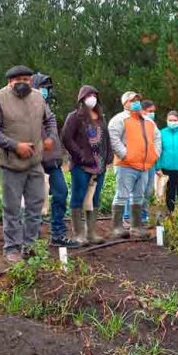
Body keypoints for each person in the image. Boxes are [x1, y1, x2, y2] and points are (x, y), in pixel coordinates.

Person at [0, 65, 57, 263]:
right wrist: (15, 146)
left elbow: (50, 119)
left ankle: (30, 245)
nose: (23, 83)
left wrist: (50, 136)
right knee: (12, 209)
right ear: (9, 82)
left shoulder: (38, 97)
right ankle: (12, 248)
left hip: (35, 162)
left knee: (35, 206)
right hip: (11, 164)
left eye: (27, 79)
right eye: (19, 80)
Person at [61, 86, 113, 246]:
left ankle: (91, 233)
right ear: (82, 98)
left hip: (100, 166)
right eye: (88, 95)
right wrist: (81, 155)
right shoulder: (75, 117)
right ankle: (78, 234)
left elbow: (106, 138)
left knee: (95, 197)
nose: (92, 98)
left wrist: (109, 154)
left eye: (94, 95)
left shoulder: (101, 117)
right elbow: (66, 138)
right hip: (81, 166)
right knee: (78, 196)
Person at [32, 72, 79, 248]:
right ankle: (32, 236)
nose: (45, 91)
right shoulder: (28, 108)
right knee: (35, 199)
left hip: (53, 162)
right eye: (42, 87)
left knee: (61, 193)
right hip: (36, 162)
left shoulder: (47, 108)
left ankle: (57, 233)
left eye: (47, 88)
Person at [108, 91, 160, 239]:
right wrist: (126, 155)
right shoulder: (119, 119)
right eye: (132, 100)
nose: (136, 102)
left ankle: (136, 227)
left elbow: (157, 138)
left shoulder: (148, 121)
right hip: (125, 165)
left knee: (139, 196)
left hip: (144, 165)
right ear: (125, 103)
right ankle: (117, 227)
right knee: (122, 195)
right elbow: (114, 139)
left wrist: (154, 155)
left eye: (137, 100)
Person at [123, 100, 156, 225]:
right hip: (135, 162)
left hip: (150, 162)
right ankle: (127, 217)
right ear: (142, 111)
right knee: (131, 190)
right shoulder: (132, 123)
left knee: (147, 191)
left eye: (153, 112)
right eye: (149, 111)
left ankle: (143, 216)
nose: (152, 114)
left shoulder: (151, 124)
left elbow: (155, 143)